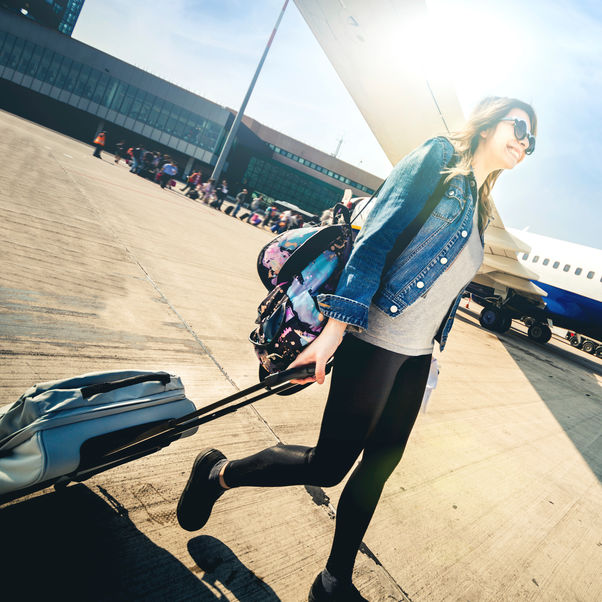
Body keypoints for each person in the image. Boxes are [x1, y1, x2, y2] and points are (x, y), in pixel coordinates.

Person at [176, 97, 537, 601]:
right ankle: (216, 475)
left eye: (531, 140)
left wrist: (433, 352)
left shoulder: (481, 206)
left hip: (415, 356)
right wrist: (335, 330)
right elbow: (376, 238)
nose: (524, 141)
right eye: (518, 126)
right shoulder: (438, 159)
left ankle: (333, 581)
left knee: (379, 467)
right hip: (373, 338)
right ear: (487, 121)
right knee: (329, 465)